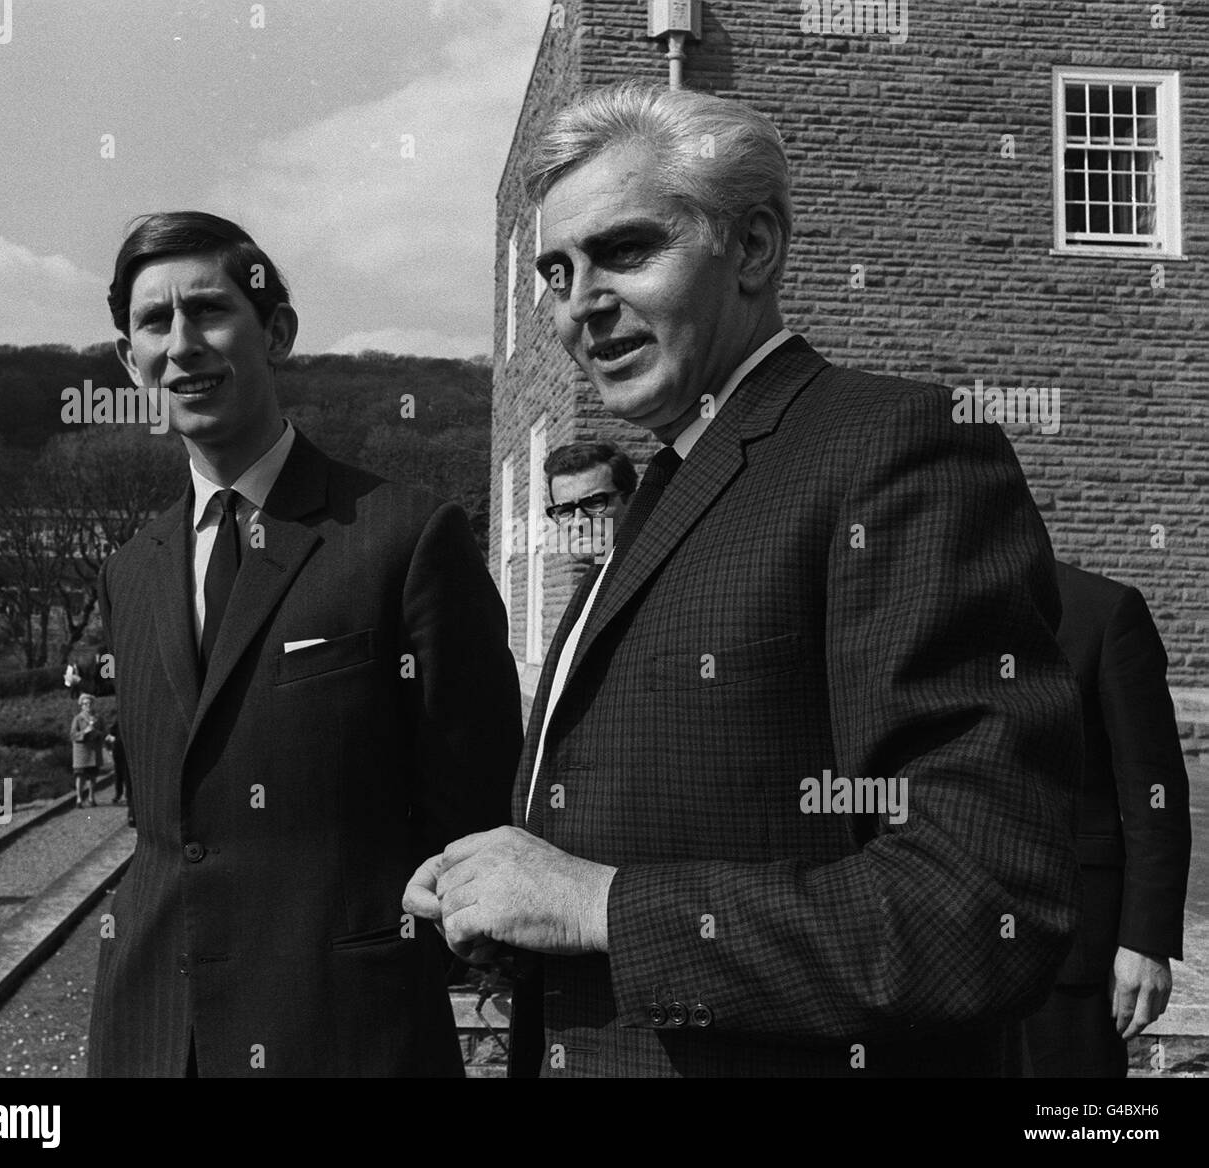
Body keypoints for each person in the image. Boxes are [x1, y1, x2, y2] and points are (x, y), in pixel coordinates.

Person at [405, 80, 1083, 1077]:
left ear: (754, 247)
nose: (579, 306)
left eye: (625, 251)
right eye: (554, 271)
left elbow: (979, 904)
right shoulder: (664, 489)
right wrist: (510, 908)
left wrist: (593, 904)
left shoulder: (889, 452)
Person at [87, 211, 520, 1077]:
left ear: (276, 331)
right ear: (131, 362)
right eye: (153, 324)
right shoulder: (129, 572)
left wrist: (387, 976)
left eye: (208, 311)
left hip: (347, 1036)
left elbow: (471, 807)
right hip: (151, 1036)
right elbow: (161, 828)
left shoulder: (405, 536)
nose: (182, 346)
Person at [1024, 561, 1192, 1077]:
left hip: (1068, 952)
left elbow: (1153, 790)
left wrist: (1145, 940)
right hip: (935, 942)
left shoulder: (1102, 609)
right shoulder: (915, 605)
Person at [543, 441, 637, 563]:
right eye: (565, 510)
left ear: (630, 502)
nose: (579, 522)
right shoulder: (595, 579)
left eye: (594, 503)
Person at [69, 692, 103, 808]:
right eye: (85, 704)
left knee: (93, 776)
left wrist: (98, 733)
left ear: (93, 704)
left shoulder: (98, 718)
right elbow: (73, 735)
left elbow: (105, 732)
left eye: (89, 703)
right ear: (81, 705)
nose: (87, 706)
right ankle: (79, 798)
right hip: (81, 753)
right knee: (80, 776)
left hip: (94, 752)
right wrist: (85, 732)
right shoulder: (77, 719)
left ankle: (91, 797)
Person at [103, 719, 133, 825]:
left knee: (123, 777)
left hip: (122, 750)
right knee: (124, 777)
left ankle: (122, 797)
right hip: (122, 751)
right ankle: (122, 796)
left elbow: (112, 732)